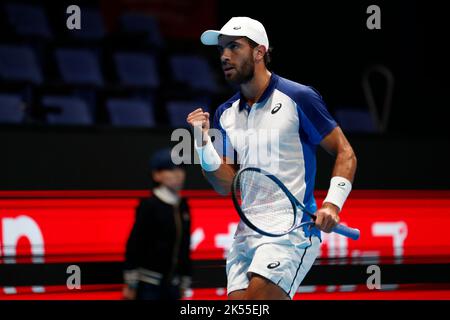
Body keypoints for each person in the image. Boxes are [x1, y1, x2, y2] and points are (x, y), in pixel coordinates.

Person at [187, 17, 357, 300]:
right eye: (221, 49)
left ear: (259, 52)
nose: (225, 56)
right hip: (247, 232)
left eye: (234, 47)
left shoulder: (298, 97)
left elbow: (345, 151)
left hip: (292, 231)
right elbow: (225, 184)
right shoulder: (224, 114)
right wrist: (202, 143)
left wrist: (332, 205)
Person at [123, 148, 192, 300]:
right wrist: (131, 283)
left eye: (181, 169)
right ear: (157, 175)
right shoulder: (150, 205)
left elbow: (185, 245)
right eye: (171, 169)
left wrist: (185, 279)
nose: (178, 174)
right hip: (149, 284)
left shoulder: (182, 206)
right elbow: (135, 244)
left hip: (173, 284)